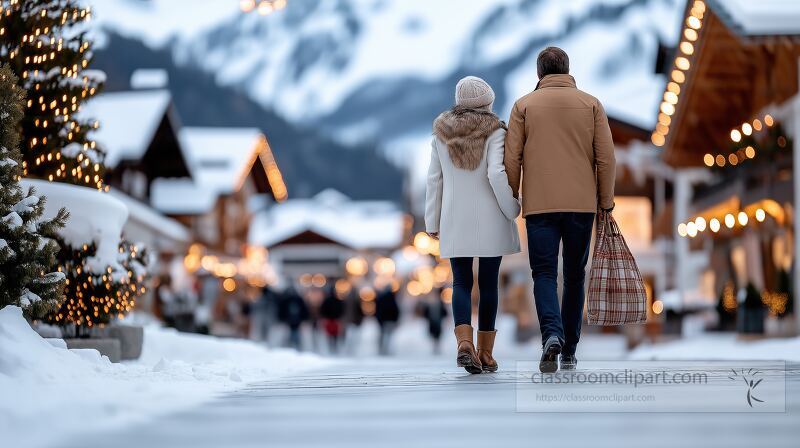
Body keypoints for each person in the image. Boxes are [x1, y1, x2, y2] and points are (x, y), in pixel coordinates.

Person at [504, 47, 616, 373]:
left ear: (539, 74)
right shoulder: (591, 104)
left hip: (539, 207)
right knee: (575, 276)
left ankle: (551, 333)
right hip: (582, 206)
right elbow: (606, 159)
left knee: (544, 274)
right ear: (567, 70)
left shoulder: (523, 106)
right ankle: (569, 350)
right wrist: (605, 202)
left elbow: (512, 158)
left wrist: (512, 198)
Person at [425, 76, 521, 374]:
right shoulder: (495, 132)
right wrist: (512, 208)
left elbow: (434, 179)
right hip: (491, 216)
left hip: (454, 217)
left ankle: (463, 344)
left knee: (461, 282)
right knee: (489, 283)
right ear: (488, 103)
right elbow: (495, 174)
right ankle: (486, 353)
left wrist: (432, 220)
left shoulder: (441, 134)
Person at [277, 284, 309, 351]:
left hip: (293, 320)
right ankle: (292, 347)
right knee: (293, 333)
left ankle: (291, 347)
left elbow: (303, 309)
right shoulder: (295, 299)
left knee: (293, 333)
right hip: (294, 320)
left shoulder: (287, 299)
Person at [319, 285, 345, 354]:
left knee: (331, 335)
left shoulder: (327, 300)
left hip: (331, 320)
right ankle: (334, 348)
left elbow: (322, 310)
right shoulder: (337, 301)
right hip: (334, 320)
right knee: (334, 335)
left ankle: (332, 348)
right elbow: (341, 310)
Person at [374, 285, 399, 356]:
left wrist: (379, 319)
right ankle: (386, 348)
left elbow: (378, 310)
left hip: (383, 320)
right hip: (390, 320)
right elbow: (396, 310)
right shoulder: (392, 298)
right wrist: (395, 319)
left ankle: (382, 348)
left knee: (383, 335)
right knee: (389, 335)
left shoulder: (381, 298)